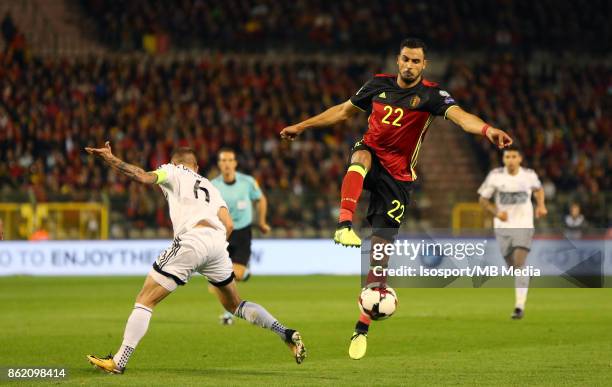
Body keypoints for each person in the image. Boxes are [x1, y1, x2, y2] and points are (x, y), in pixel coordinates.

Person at [280, 37, 513, 360]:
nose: (409, 65)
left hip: (399, 178)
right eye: (405, 59)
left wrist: (489, 131)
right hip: (373, 155)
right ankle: (344, 223)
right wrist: (302, 126)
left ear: (423, 65)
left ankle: (362, 326)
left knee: (379, 257)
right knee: (360, 156)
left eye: (416, 61)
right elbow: (343, 112)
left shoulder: (432, 95)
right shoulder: (378, 84)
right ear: (397, 59)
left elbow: (462, 118)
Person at [85, 142, 306, 373]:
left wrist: (109, 158)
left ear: (174, 163)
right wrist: (211, 252)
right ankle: (285, 333)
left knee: (145, 299)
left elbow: (141, 176)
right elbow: (228, 224)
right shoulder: (211, 187)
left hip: (192, 240)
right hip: (218, 244)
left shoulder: (172, 170)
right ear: (197, 166)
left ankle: (119, 361)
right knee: (235, 304)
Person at [478, 146, 547, 320]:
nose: (510, 159)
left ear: (520, 159)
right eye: (507, 156)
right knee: (513, 267)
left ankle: (519, 306)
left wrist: (541, 205)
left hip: (524, 225)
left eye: (514, 156)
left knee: (519, 262)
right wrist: (497, 213)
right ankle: (524, 274)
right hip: (502, 227)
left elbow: (539, 190)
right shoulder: (495, 176)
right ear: (503, 159)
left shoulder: (529, 175)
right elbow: (483, 199)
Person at [212, 148, 271, 325]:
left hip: (243, 232)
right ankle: (229, 314)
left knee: (232, 275)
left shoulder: (248, 182)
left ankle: (243, 275)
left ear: (235, 163)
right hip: (222, 233)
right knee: (222, 277)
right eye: (223, 160)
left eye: (230, 160)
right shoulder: (213, 186)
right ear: (219, 164)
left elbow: (261, 199)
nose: (227, 164)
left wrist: (261, 222)